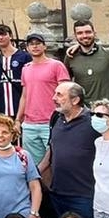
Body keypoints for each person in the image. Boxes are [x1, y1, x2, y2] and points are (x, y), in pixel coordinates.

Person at [38, 81, 99, 218]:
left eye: (59, 95)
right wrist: (36, 172)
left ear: (75, 100)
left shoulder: (94, 121)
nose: (53, 98)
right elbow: (51, 150)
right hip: (58, 193)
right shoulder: (56, 118)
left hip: (84, 195)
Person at [18, 33, 71, 164]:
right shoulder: (26, 68)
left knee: (56, 160)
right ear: (27, 48)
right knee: (35, 164)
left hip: (51, 122)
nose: (35, 46)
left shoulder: (56, 65)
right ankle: (41, 186)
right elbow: (25, 95)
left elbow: (65, 92)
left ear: (44, 46)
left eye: (38, 43)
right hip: (30, 124)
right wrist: (18, 119)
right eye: (31, 44)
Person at [65, 18, 109, 106]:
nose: (84, 36)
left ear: (94, 33)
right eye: (80, 33)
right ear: (75, 36)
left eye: (88, 32)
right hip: (83, 109)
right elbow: (66, 83)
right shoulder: (71, 56)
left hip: (108, 108)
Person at [0, 24, 30, 120]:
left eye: (3, 34)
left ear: (10, 36)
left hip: (24, 109)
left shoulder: (24, 57)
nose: (0, 37)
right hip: (2, 110)